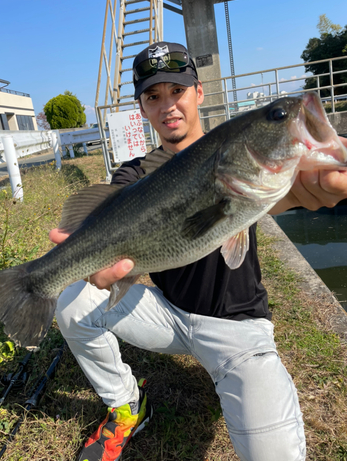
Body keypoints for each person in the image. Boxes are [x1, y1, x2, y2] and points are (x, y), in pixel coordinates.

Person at [50, 42, 347, 461]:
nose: (167, 105)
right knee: (70, 302)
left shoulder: (244, 164)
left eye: (177, 90)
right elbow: (109, 219)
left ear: (199, 93)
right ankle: (126, 405)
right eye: (153, 96)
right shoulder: (133, 175)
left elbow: (283, 192)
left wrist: (311, 183)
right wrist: (83, 258)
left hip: (238, 333)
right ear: (142, 108)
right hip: (168, 317)